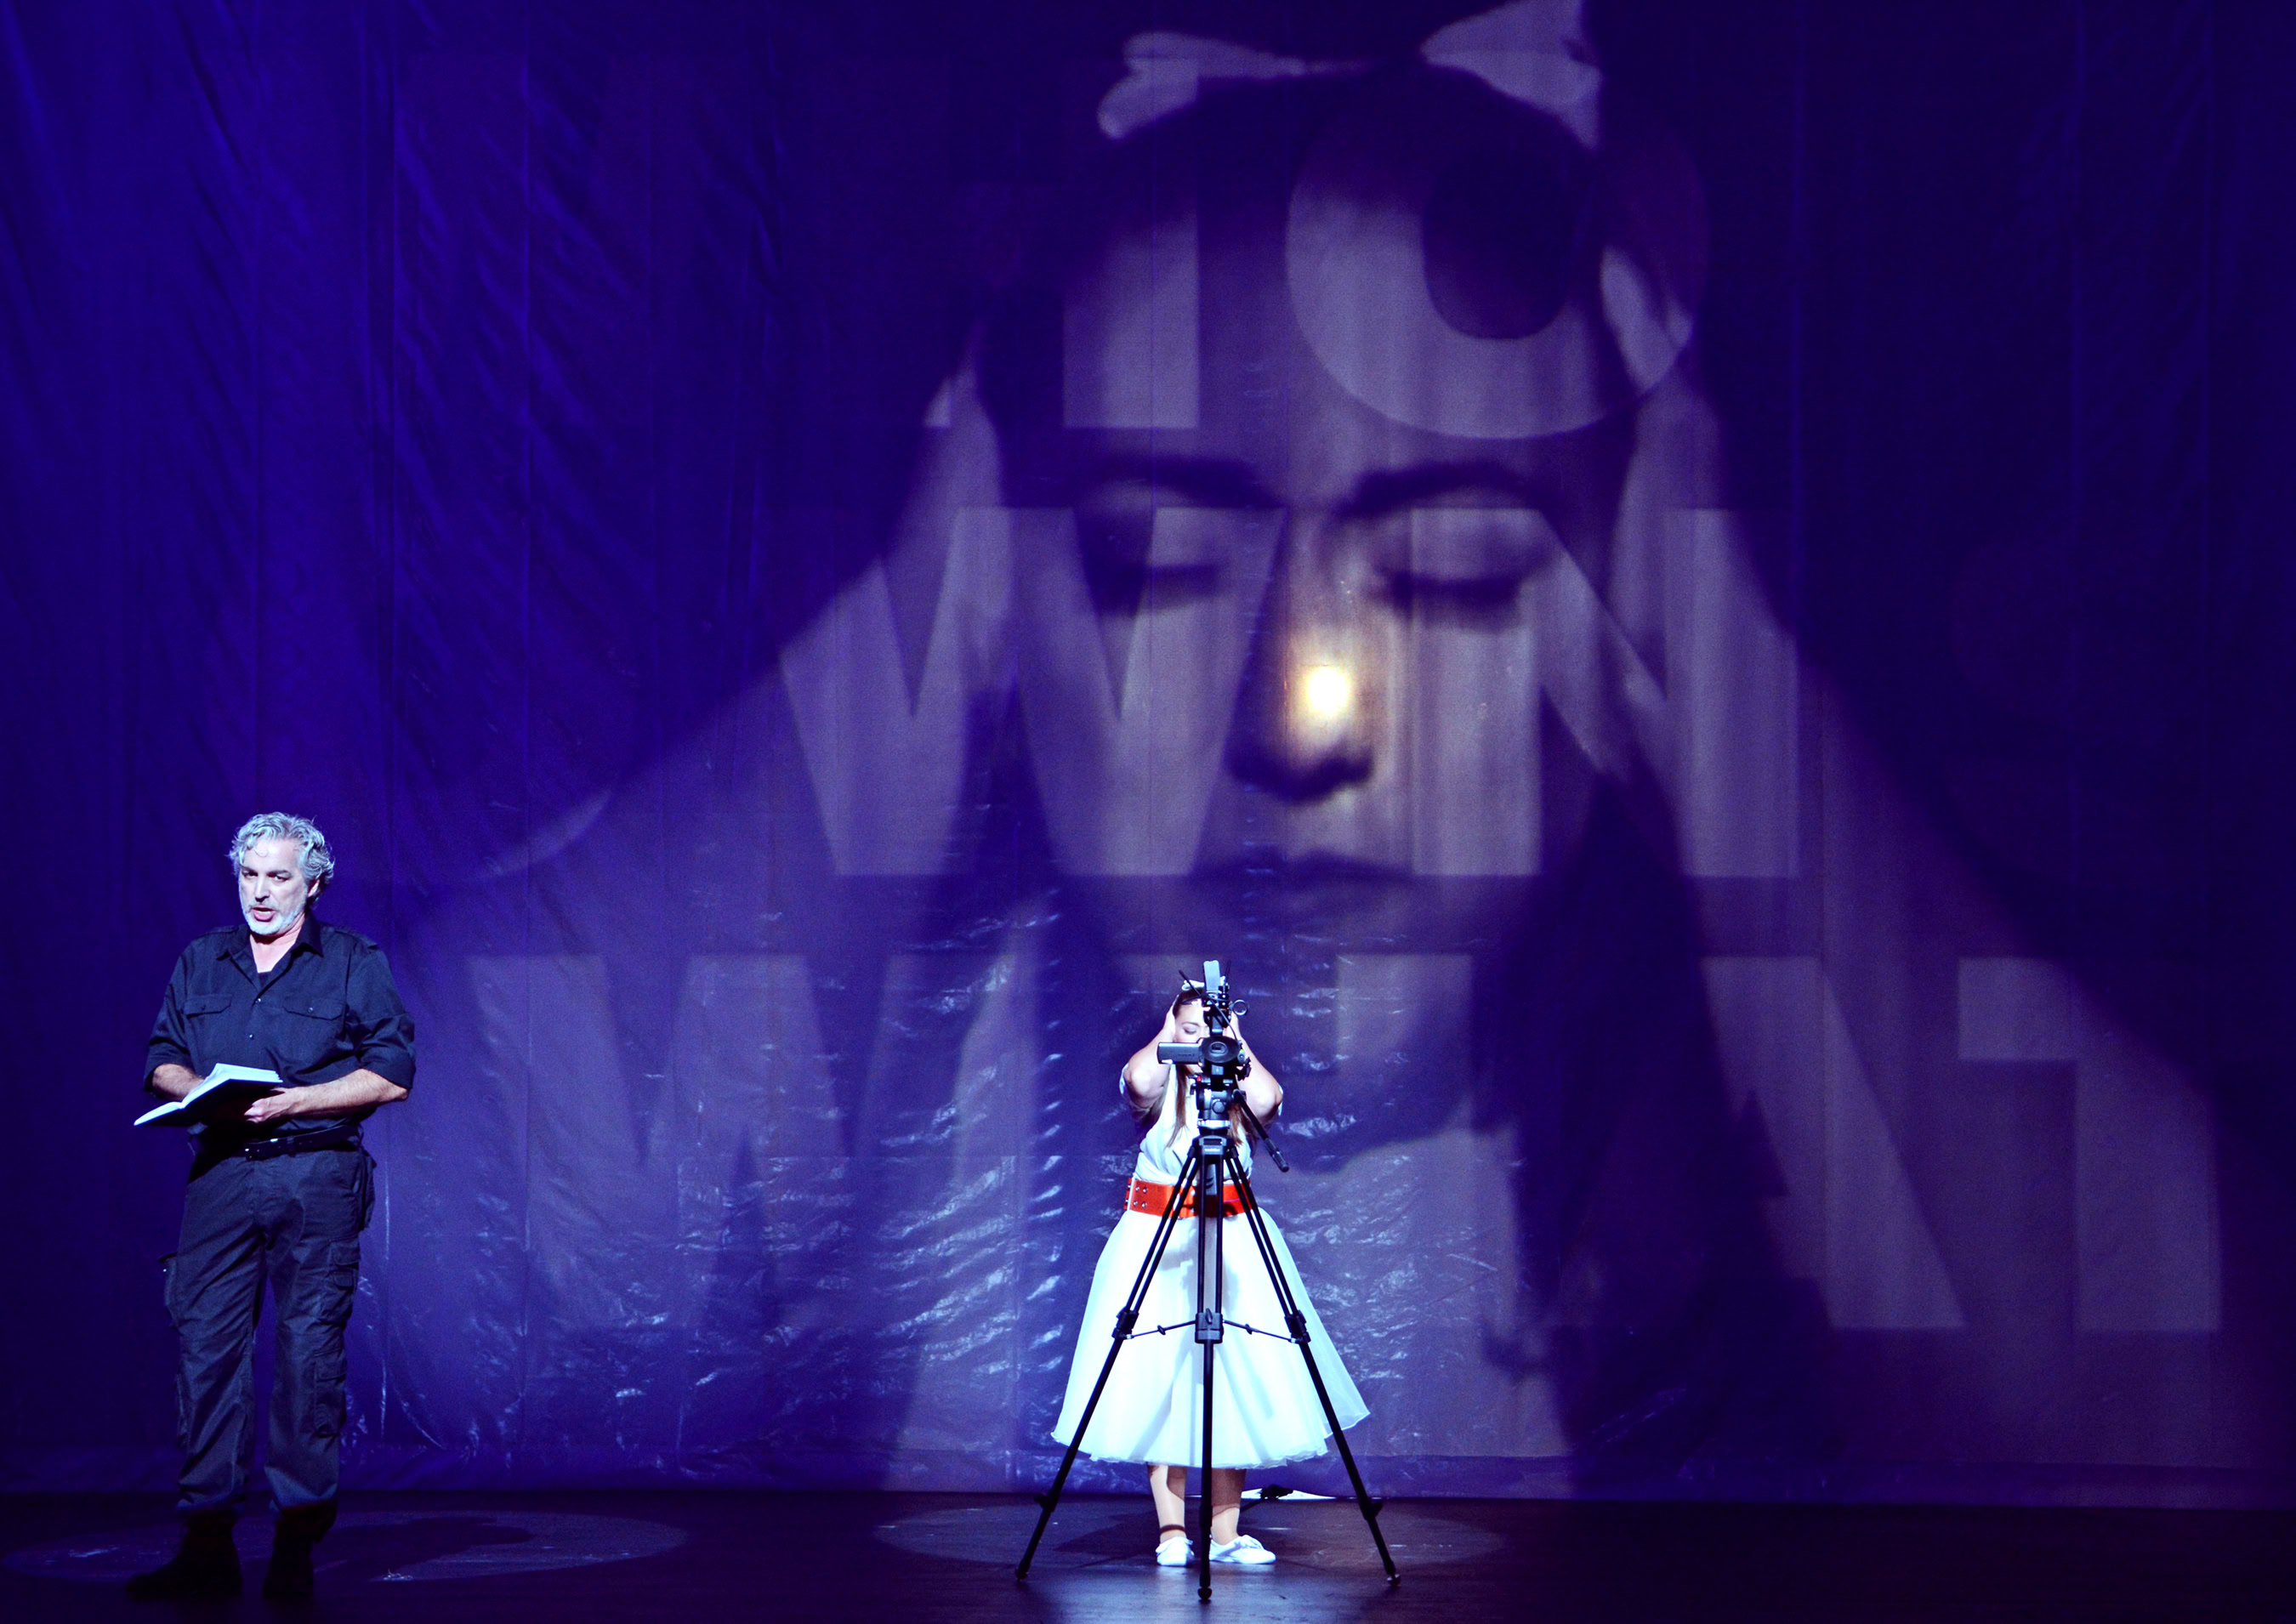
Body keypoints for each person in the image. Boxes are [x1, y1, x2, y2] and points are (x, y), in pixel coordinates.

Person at [126, 813, 416, 1602]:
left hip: (315, 1176)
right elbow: (161, 1059)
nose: (260, 891)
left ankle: (295, 1543)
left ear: (313, 885)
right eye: (249, 874)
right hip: (221, 1176)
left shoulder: (352, 961)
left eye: (279, 877)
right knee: (206, 1354)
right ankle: (207, 1545)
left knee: (306, 1359)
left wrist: (295, 1102)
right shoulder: (203, 960)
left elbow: (392, 1072)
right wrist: (200, 1092)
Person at [1050, 984, 1368, 1567]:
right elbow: (1138, 1080)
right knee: (1161, 1382)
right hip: (1158, 1239)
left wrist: (1235, 1044)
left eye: (1212, 1031)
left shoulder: (1236, 1088)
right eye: (1190, 1030)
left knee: (1233, 1383)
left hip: (1233, 1241)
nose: (1202, 1043)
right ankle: (1172, 1532)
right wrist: (1173, 1032)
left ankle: (1226, 1535)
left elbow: (1271, 1098)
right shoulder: (1161, 1084)